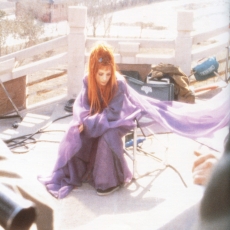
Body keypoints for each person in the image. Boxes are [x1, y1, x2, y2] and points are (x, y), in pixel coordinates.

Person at [38, 42, 230, 199]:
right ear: (93, 70)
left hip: (120, 118)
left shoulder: (119, 83)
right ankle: (82, 171)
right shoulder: (87, 80)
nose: (104, 78)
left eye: (107, 73)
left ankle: (109, 181)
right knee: (73, 133)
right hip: (96, 119)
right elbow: (80, 105)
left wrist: (88, 123)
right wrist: (82, 121)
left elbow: (113, 113)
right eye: (100, 74)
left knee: (108, 135)